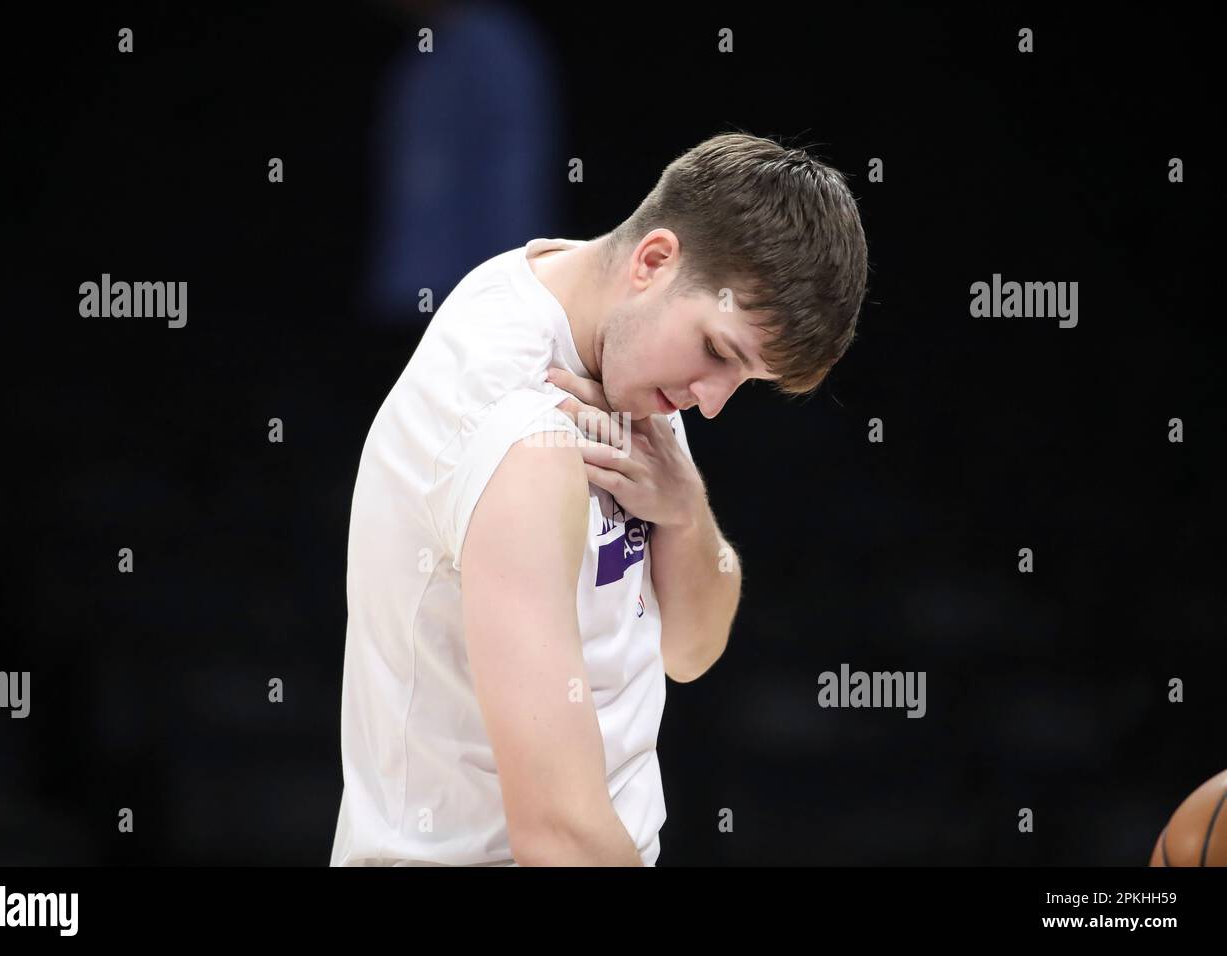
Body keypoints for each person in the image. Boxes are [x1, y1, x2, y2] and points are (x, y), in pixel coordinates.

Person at [329, 132, 869, 866]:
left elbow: (690, 648)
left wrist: (686, 508)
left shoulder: (602, 323)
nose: (710, 404)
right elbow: (558, 836)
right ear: (654, 260)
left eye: (742, 378)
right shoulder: (521, 427)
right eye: (718, 352)